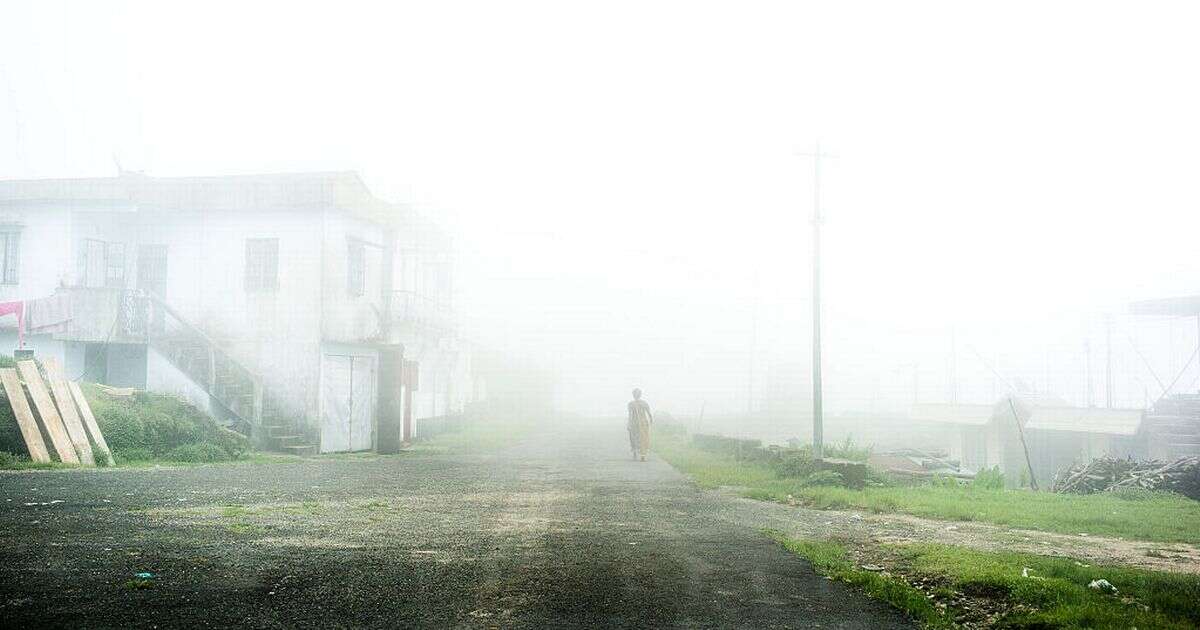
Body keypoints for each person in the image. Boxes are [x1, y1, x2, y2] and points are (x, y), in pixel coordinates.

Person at [627, 388, 653, 461]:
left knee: (636, 438)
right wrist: (650, 421)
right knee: (642, 438)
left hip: (637, 423)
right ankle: (641, 454)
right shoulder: (642, 403)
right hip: (641, 423)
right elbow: (649, 414)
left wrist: (629, 424)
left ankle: (638, 453)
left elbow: (630, 415)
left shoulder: (631, 404)